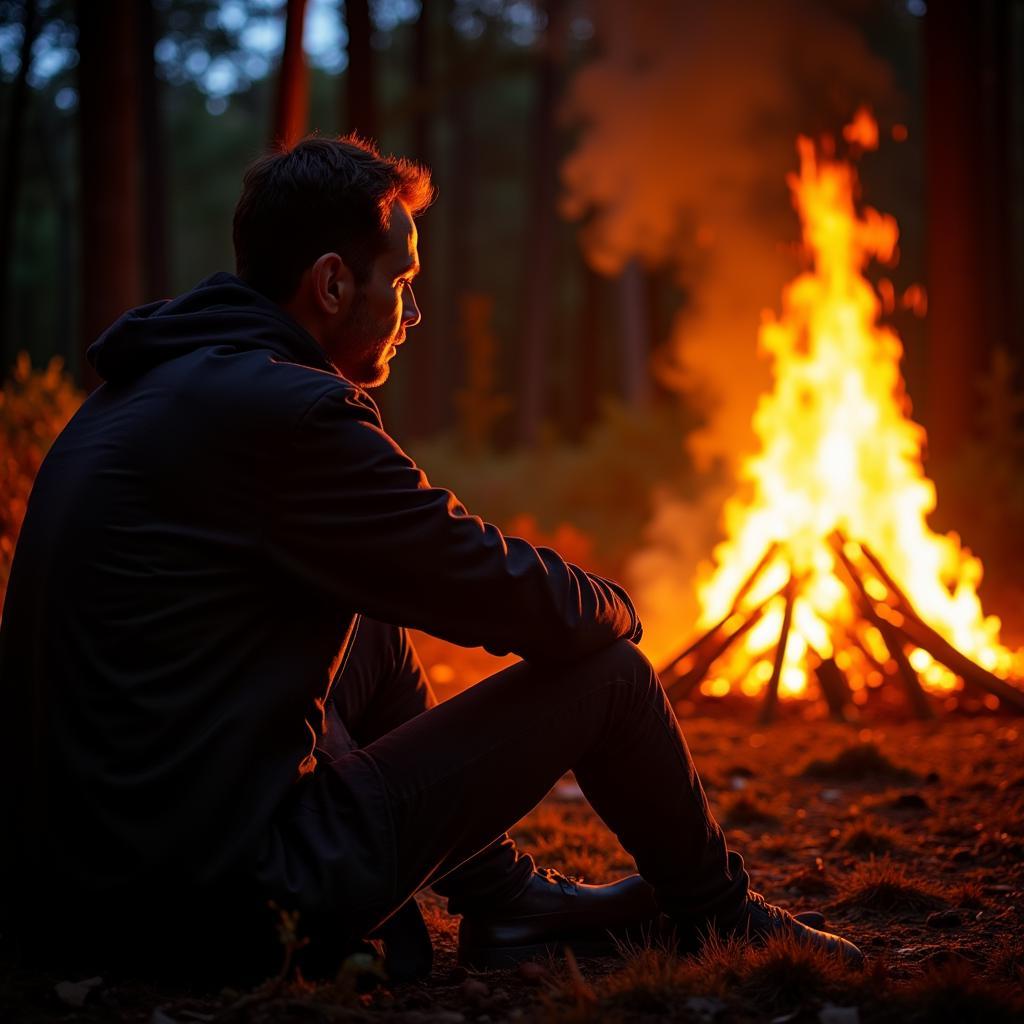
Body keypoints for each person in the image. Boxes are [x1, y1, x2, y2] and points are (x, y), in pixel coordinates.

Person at [0, 136, 861, 984]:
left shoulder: (145, 389)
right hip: (215, 902)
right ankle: (719, 914)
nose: (414, 315)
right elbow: (488, 584)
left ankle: (503, 897)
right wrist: (619, 607)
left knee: (368, 622)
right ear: (333, 283)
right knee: (611, 677)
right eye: (403, 284)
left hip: (87, 884)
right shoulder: (291, 414)